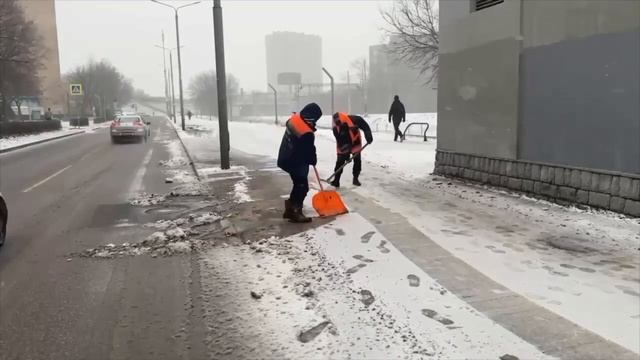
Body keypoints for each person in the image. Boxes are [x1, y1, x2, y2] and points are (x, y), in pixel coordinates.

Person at [277, 103, 323, 223]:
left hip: (285, 157)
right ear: (312, 117)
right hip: (295, 161)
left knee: (298, 184)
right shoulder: (305, 132)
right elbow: (308, 151)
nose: (316, 122)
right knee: (302, 186)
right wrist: (313, 159)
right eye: (316, 119)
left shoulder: (295, 120)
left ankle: (290, 209)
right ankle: (295, 211)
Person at [330, 112, 373, 188]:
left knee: (357, 160)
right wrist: (346, 155)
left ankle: (355, 178)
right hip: (343, 145)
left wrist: (368, 134)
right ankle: (336, 180)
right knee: (340, 161)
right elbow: (340, 142)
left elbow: (364, 125)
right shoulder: (335, 129)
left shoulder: (354, 119)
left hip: (355, 141)